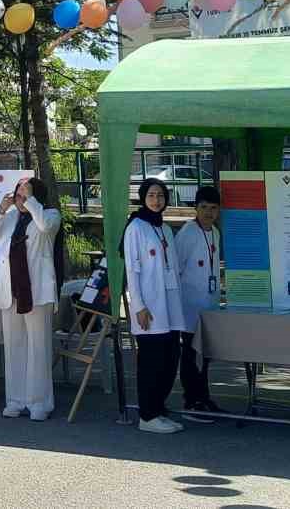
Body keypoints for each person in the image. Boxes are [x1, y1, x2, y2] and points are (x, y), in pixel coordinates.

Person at [0, 176, 61, 421]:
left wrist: (30, 202)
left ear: (35, 195)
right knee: (15, 346)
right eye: (17, 194)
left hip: (37, 292)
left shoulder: (49, 215)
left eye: (25, 194)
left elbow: (44, 227)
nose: (19, 199)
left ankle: (39, 402)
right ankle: (15, 400)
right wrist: (1, 210)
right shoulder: (10, 218)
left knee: (38, 347)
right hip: (11, 291)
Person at [123, 178, 185, 434]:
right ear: (142, 198)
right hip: (148, 306)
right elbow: (132, 269)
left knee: (170, 358)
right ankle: (147, 415)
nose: (156, 200)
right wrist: (138, 305)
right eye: (151, 195)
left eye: (160, 195)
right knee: (151, 362)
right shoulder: (135, 227)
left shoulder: (165, 229)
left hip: (169, 305)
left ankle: (158, 409)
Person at [174, 185, 225, 423]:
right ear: (195, 208)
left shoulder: (214, 232)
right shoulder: (187, 233)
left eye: (213, 208)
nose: (208, 212)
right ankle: (191, 401)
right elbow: (176, 269)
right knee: (190, 354)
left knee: (205, 355)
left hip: (208, 305)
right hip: (189, 306)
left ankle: (204, 396)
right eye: (204, 207)